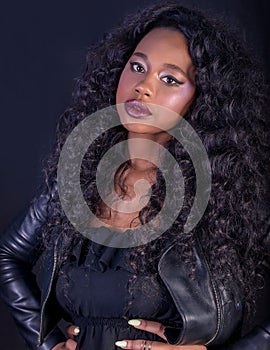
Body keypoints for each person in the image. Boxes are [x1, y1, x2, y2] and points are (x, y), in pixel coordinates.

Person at [0, 1, 269, 349]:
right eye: (137, 66)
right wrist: (47, 343)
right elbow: (8, 255)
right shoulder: (79, 182)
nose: (143, 87)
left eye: (170, 79)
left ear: (201, 99)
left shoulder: (224, 195)